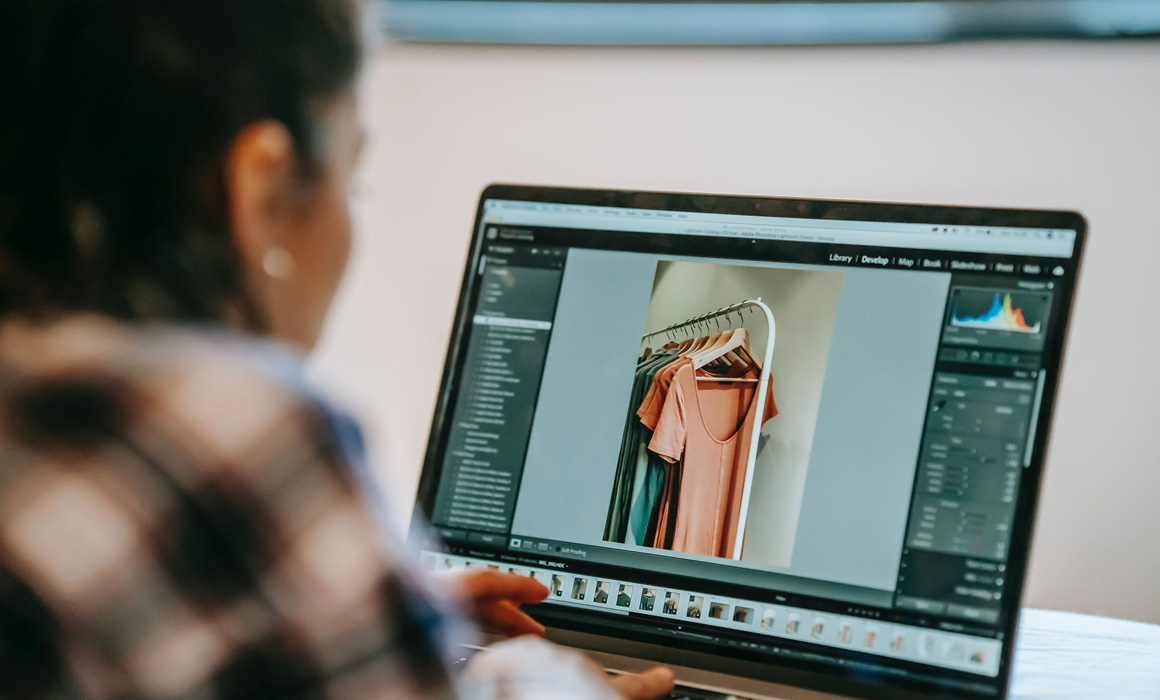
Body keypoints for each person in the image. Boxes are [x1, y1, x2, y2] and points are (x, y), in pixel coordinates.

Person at [0, 1, 675, 698]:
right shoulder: (223, 421)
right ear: (260, 190)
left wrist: (372, 617)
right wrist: (545, 682)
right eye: (352, 180)